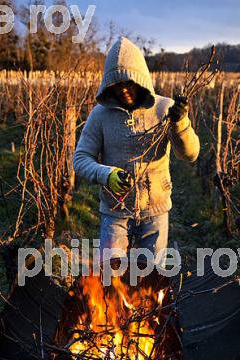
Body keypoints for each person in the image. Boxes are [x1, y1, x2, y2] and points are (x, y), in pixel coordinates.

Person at [73, 36, 200, 266]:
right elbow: (80, 159)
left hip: (155, 212)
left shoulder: (165, 109)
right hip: (114, 213)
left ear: (140, 79)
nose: (123, 90)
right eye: (116, 84)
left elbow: (190, 154)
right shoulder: (100, 115)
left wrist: (180, 124)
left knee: (151, 283)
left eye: (128, 82)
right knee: (109, 280)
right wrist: (107, 175)